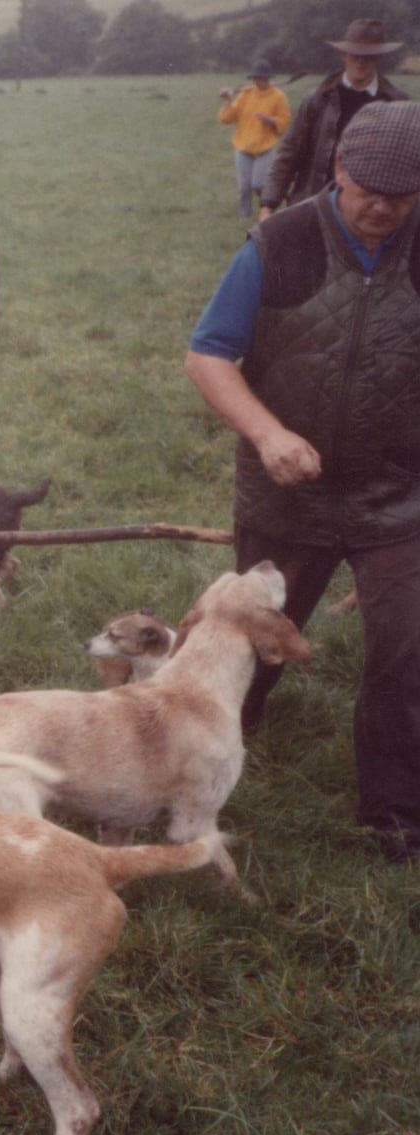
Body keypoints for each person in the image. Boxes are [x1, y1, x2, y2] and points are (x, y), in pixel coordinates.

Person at [185, 101, 420, 865]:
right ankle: (203, 756)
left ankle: (394, 809)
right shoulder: (278, 243)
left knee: (406, 649)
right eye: (370, 188)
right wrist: (267, 432)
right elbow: (209, 355)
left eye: (405, 192)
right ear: (338, 169)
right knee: (245, 653)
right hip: (287, 491)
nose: (383, 205)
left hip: (399, 495)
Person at [259, 18, 407, 220]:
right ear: (344, 54)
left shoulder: (396, 103)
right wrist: (268, 204)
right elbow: (289, 153)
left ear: (379, 57)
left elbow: (404, 166)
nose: (361, 62)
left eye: (369, 56)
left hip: (367, 215)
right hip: (312, 205)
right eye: (355, 54)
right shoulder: (317, 99)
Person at [218, 59, 292, 221]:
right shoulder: (245, 94)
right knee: (244, 188)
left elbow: (285, 121)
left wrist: (271, 120)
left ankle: (269, 207)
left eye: (263, 78)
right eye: (257, 78)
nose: (260, 82)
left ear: (269, 78)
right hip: (243, 147)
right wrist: (228, 100)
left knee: (258, 184)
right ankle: (244, 218)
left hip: (265, 148)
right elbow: (227, 118)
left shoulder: (279, 96)